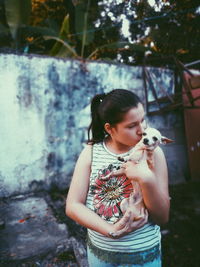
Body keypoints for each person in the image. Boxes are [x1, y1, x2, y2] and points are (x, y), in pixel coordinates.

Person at [66, 89, 170, 267]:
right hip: (101, 256)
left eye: (143, 120)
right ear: (110, 128)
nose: (142, 130)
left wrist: (147, 179)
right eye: (131, 126)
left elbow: (162, 217)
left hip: (143, 256)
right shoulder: (91, 152)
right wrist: (111, 230)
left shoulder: (153, 152)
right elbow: (73, 205)